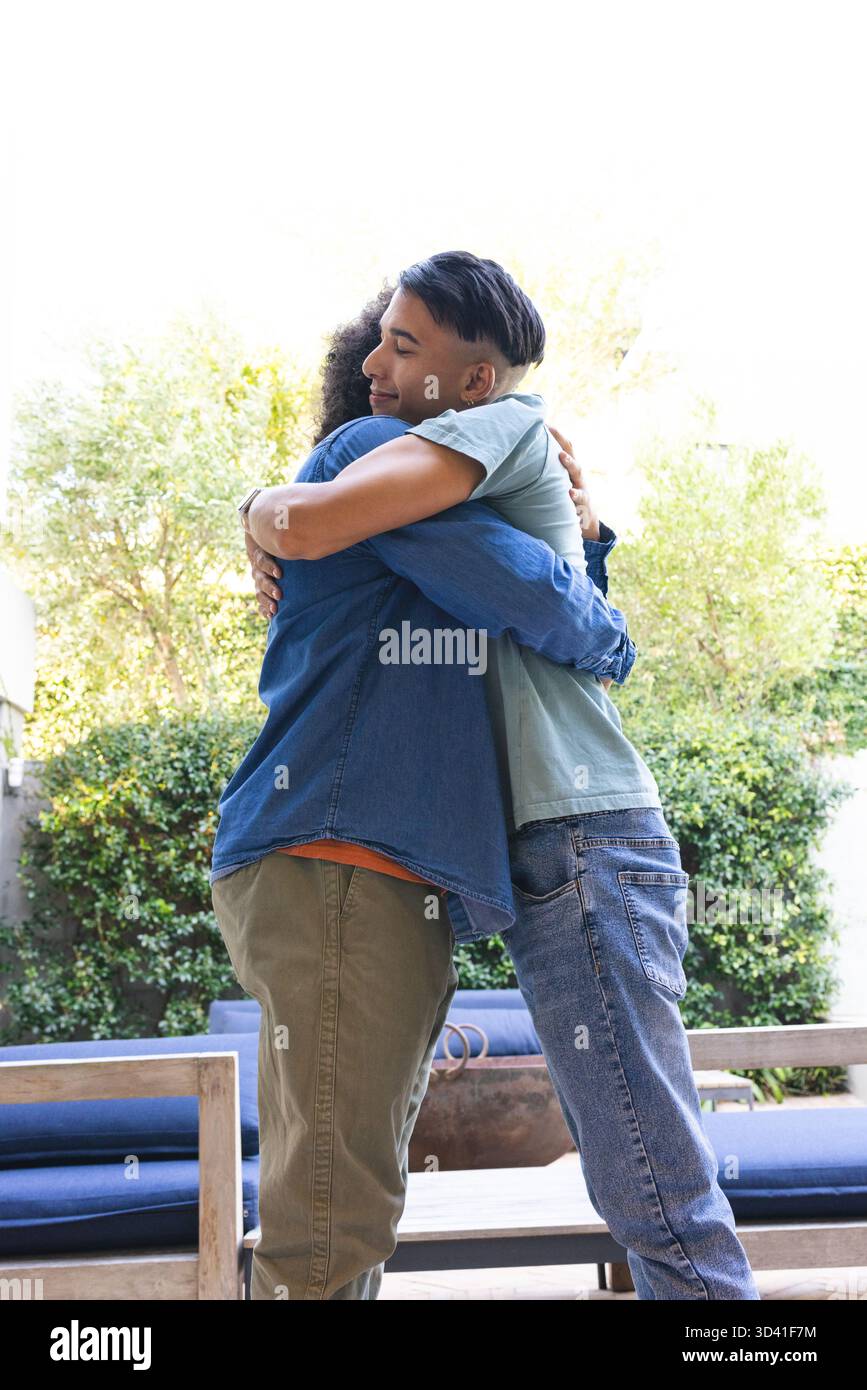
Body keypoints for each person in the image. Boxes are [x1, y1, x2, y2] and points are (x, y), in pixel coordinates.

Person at [220, 250, 759, 1299]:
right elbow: (542, 602)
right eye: (384, 345)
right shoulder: (389, 461)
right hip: (364, 854)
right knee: (345, 1215)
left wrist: (588, 544)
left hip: (501, 847)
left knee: (626, 1180)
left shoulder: (461, 452)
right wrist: (604, 617)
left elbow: (531, 590)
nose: (386, 360)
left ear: (470, 383)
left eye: (406, 343)